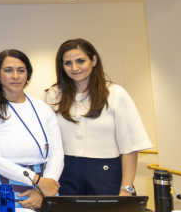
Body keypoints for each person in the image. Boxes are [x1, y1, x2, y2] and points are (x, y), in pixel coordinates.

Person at [44, 38, 152, 196]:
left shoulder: (115, 93)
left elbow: (129, 147)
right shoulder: (53, 95)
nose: (74, 68)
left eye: (80, 61)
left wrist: (126, 189)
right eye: (68, 63)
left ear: (93, 60)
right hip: (64, 176)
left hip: (106, 176)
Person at [0, 49, 63, 212]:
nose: (15, 76)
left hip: (45, 183)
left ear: (27, 75)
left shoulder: (43, 108)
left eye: (21, 70)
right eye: (8, 70)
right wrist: (36, 181)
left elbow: (57, 153)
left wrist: (43, 189)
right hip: (6, 182)